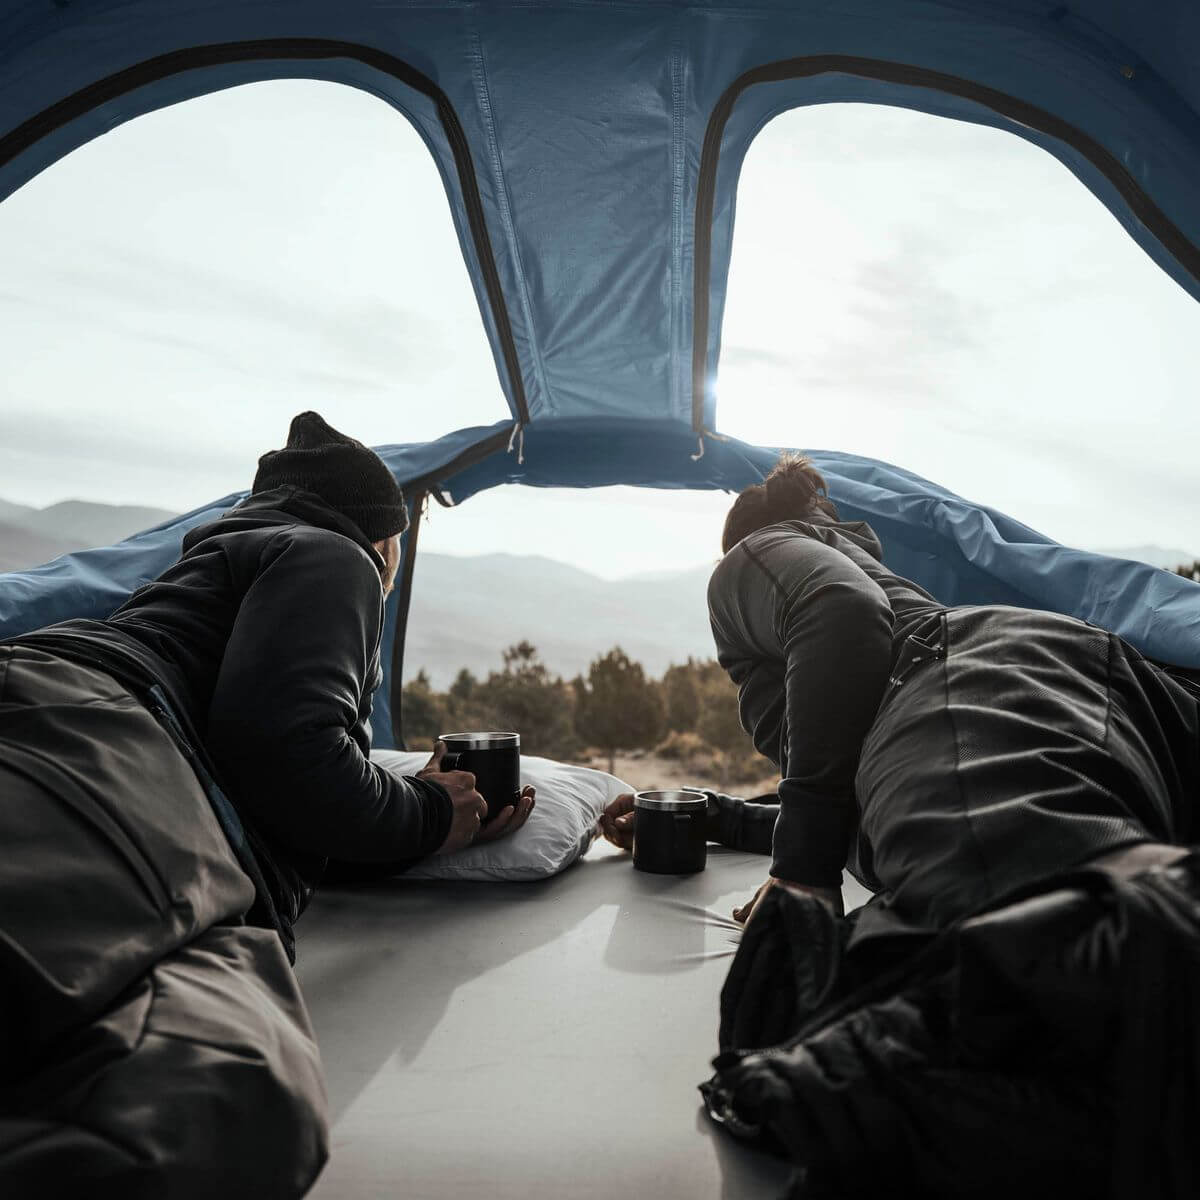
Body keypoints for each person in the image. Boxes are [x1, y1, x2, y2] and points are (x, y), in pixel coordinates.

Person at [0, 411, 533, 1199]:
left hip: (59, 722)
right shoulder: (334, 555)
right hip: (97, 756)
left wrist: (386, 802)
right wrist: (425, 813)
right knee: (230, 1097)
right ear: (386, 541)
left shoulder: (207, 571)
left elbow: (275, 772)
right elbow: (283, 751)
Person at [602, 452, 1198, 934]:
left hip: (966, 688)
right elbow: (848, 799)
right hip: (1115, 691)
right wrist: (723, 816)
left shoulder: (754, 557)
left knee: (1049, 953)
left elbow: (841, 607)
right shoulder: (871, 694)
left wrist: (800, 872)